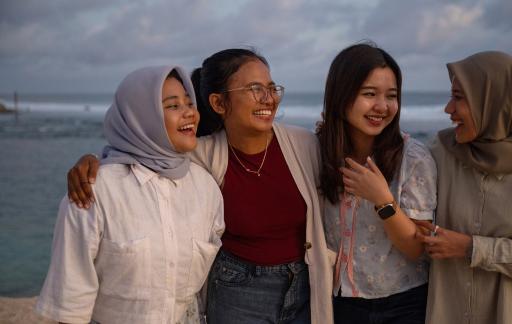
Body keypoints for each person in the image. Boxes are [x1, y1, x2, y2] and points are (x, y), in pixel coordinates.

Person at [66, 49, 334, 324]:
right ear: (218, 103)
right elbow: (146, 150)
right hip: (236, 291)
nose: (269, 98)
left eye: (271, 87)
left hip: (303, 287)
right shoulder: (200, 156)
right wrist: (93, 162)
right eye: (254, 88)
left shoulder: (305, 146)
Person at [35, 66, 225, 324]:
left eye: (190, 103)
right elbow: (72, 296)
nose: (189, 112)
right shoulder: (94, 189)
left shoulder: (206, 189)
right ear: (142, 116)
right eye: (172, 106)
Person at [415, 51, 512, 324]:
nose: (448, 109)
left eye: (459, 97)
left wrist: (472, 248)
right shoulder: (438, 152)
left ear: (492, 102)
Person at [317, 43, 436, 323]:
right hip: (334, 300)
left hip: (401, 303)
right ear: (341, 96)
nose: (382, 107)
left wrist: (383, 199)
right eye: (369, 94)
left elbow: (416, 248)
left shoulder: (413, 157)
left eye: (391, 96)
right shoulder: (318, 150)